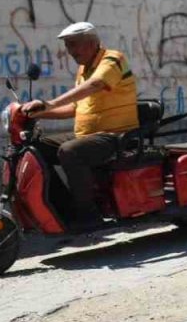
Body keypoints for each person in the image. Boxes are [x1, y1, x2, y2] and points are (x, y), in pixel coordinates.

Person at [21, 22, 139, 228]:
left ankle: (88, 215)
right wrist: (40, 114)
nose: (71, 51)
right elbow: (75, 108)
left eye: (74, 44)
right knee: (35, 149)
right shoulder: (84, 69)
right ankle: (63, 209)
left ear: (93, 43)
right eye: (68, 46)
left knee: (70, 151)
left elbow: (95, 85)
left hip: (116, 136)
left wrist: (50, 103)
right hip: (88, 136)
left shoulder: (113, 59)